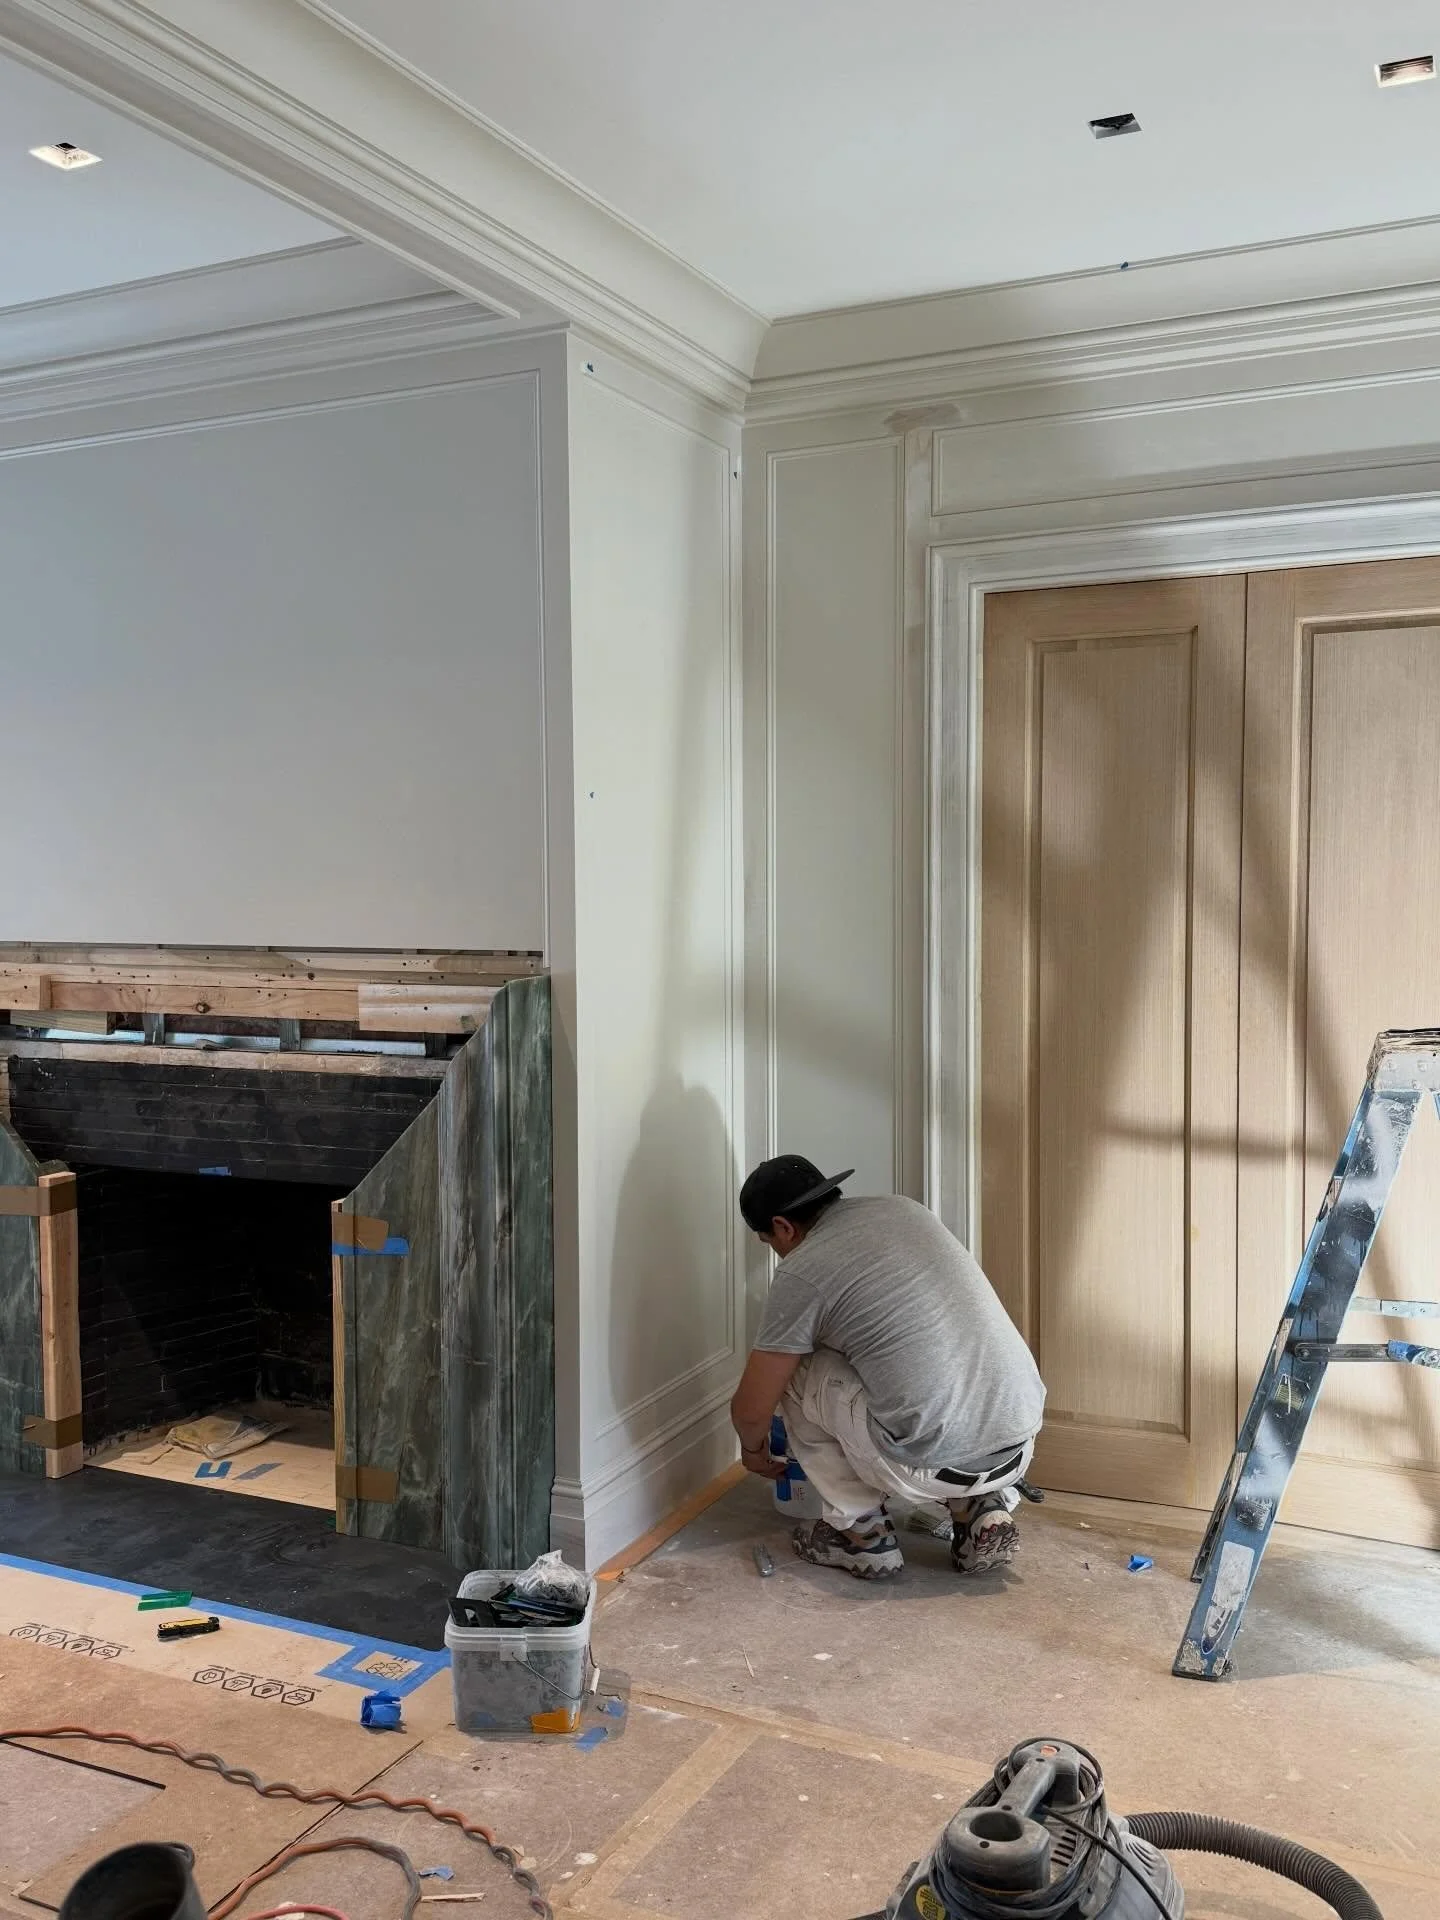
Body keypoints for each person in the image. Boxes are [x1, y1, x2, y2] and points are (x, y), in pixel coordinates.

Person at [730, 1155, 1046, 1579]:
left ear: (783, 1227)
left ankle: (859, 1532)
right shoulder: (904, 1209)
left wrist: (753, 1453)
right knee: (907, 1364)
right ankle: (978, 1507)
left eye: (771, 1243)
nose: (778, 1254)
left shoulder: (803, 1272)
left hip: (925, 1465)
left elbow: (752, 1407)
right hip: (1019, 1440)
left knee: (792, 1371)